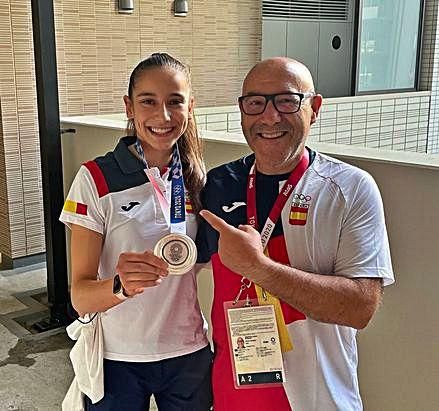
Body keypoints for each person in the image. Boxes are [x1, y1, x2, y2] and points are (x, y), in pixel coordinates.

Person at [196, 57, 394, 411]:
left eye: (287, 101)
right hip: (231, 396)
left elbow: (361, 307)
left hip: (320, 399)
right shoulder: (217, 185)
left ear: (314, 108)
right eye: (255, 102)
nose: (269, 117)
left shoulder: (351, 188)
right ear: (242, 111)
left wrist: (260, 268)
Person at [60, 53, 212, 410]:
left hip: (188, 351)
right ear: (129, 106)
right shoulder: (95, 178)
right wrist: (120, 285)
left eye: (175, 102)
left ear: (190, 107)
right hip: (119, 357)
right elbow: (79, 296)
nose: (163, 116)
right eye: (148, 101)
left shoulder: (199, 181)